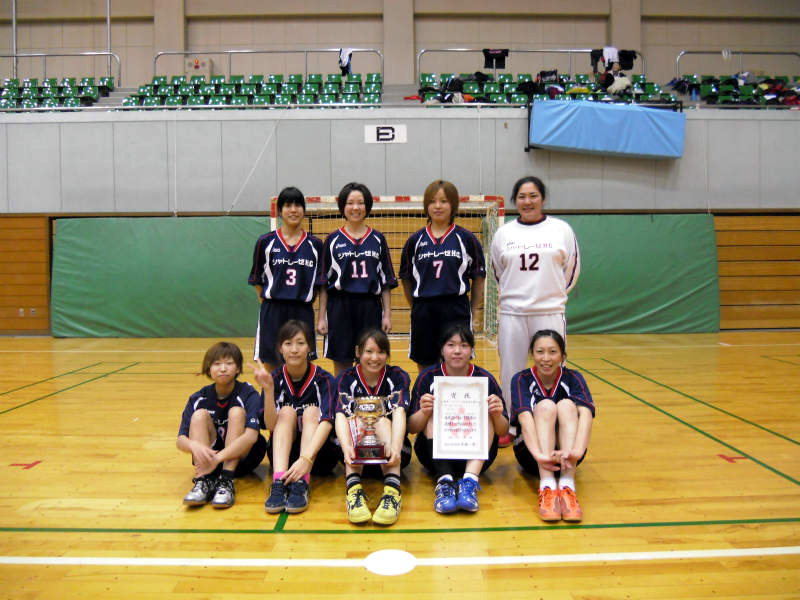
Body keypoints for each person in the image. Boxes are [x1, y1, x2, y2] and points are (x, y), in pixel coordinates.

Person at [490, 176, 580, 446]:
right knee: (511, 370)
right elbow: (499, 272)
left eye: (533, 196)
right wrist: (517, 297)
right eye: (521, 196)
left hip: (549, 311)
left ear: (542, 198)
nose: (527, 201)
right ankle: (512, 425)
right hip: (513, 312)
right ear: (515, 200)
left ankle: (552, 422)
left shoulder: (561, 229)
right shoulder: (504, 233)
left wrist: (550, 297)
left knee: (552, 367)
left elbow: (571, 271)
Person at [408, 323, 509, 514]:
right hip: (433, 456)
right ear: (442, 349)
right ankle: (444, 482)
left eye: (463, 346)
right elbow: (412, 428)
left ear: (471, 350)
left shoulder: (485, 379)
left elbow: (503, 431)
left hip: (477, 459)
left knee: (486, 412)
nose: (457, 351)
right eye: (451, 345)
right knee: (432, 411)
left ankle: (470, 481)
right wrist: (424, 411)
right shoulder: (428, 378)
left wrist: (497, 413)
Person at [252, 320, 339, 514]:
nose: (294, 349)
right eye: (288, 343)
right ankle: (279, 483)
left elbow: (328, 422)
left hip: (318, 457)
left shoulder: (324, 379)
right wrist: (267, 391)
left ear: (309, 347)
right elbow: (270, 425)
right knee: (286, 412)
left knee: (312, 412)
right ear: (280, 348)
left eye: (300, 343)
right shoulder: (273, 379)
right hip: (283, 456)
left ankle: (301, 483)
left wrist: (306, 459)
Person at [400, 180, 486, 372]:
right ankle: (426, 400)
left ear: (453, 205)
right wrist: (416, 305)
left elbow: (479, 277)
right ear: (426, 206)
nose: (437, 206)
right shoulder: (415, 240)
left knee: (458, 363)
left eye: (444, 201)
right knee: (425, 364)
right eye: (432, 201)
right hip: (424, 309)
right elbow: (406, 278)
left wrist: (473, 309)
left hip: (456, 309)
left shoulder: (466, 238)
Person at [511, 330, 594, 522]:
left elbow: (587, 414)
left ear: (563, 356)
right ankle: (547, 487)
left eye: (552, 352)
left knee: (566, 405)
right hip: (531, 455)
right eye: (540, 351)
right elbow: (524, 418)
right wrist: (540, 456)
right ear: (532, 354)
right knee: (546, 406)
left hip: (568, 456)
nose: (546, 358)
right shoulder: (521, 379)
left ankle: (567, 488)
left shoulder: (573, 378)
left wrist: (577, 452)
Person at [317, 182, 398, 375]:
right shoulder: (332, 240)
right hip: (339, 306)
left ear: (367, 206)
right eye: (350, 203)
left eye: (360, 203)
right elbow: (323, 284)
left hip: (370, 306)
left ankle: (370, 403)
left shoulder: (378, 239)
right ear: (343, 207)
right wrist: (321, 318)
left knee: (371, 360)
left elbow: (385, 281)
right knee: (342, 361)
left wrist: (387, 314)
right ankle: (342, 403)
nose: (355, 207)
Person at [333, 328, 411, 526]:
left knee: (383, 421)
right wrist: (346, 448)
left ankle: (393, 492)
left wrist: (395, 447)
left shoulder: (397, 376)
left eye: (381, 352)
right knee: (356, 421)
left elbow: (400, 412)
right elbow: (340, 415)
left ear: (387, 354)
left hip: (391, 454)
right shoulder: (346, 378)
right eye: (369, 351)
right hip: (354, 455)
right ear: (358, 352)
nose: (374, 358)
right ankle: (354, 492)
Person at [177, 341, 267, 509]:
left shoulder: (247, 393)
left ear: (238, 368)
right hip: (210, 463)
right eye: (217, 364)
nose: (223, 368)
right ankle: (204, 482)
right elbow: (180, 440)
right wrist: (193, 445)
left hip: (244, 459)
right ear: (208, 369)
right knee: (198, 416)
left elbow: (251, 436)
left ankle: (226, 480)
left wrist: (218, 458)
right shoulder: (198, 398)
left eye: (229, 363)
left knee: (236, 412)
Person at [249, 186, 324, 373]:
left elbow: (320, 284)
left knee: (301, 365)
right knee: (272, 365)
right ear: (280, 210)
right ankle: (271, 402)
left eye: (298, 205)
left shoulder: (315, 245)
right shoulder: (265, 242)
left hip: (302, 311)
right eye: (288, 205)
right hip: (273, 310)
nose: (293, 210)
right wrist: (268, 303)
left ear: (304, 210)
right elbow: (257, 280)